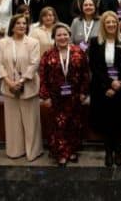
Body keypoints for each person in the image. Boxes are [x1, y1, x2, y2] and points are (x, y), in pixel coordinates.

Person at [88, 11, 121, 167]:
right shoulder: (95, 42)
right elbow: (95, 66)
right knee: (105, 119)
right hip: (102, 87)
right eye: (107, 22)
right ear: (103, 24)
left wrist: (117, 84)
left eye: (114, 22)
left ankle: (118, 150)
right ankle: (108, 151)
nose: (111, 25)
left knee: (119, 119)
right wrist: (109, 84)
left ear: (117, 24)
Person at [39, 24, 90, 167]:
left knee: (73, 124)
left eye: (65, 34)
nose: (62, 37)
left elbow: (86, 74)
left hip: (74, 97)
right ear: (54, 37)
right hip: (55, 98)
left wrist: (83, 92)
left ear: (69, 35)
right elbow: (42, 76)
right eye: (59, 35)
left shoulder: (79, 52)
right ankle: (61, 153)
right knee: (58, 125)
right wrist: (45, 96)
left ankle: (71, 150)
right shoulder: (47, 54)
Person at [0, 14, 43, 161]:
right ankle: (15, 151)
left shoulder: (33, 42)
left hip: (28, 86)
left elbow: (35, 63)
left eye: (24, 23)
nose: (22, 26)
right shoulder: (3, 42)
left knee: (31, 122)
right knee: (12, 122)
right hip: (9, 87)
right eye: (18, 23)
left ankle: (33, 152)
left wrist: (21, 81)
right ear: (12, 26)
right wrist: (9, 82)